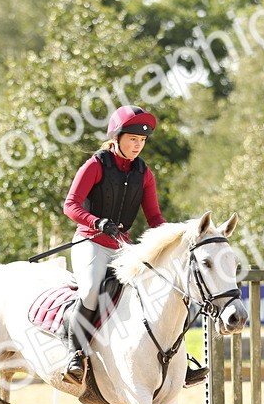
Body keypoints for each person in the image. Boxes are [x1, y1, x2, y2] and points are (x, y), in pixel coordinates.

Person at [60, 104, 208, 388]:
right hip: (90, 241)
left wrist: (173, 241)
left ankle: (178, 360)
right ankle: (75, 354)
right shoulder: (95, 165)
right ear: (116, 138)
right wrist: (96, 222)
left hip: (122, 246)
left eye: (142, 140)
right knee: (91, 290)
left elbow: (154, 218)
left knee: (159, 289)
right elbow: (71, 205)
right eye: (133, 139)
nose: (138, 145)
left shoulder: (144, 173)